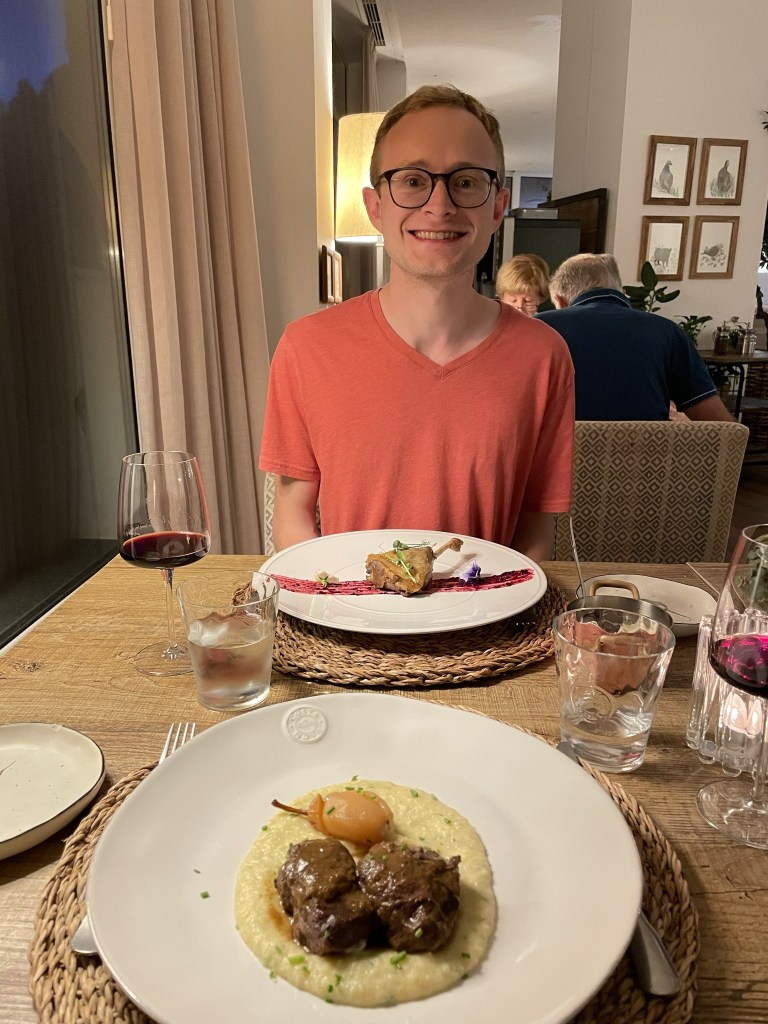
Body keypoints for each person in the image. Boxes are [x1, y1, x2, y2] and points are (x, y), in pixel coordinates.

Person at [260, 85, 575, 559]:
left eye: (465, 181)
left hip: (491, 605)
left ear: (497, 206)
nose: (440, 204)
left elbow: (535, 528)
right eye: (412, 180)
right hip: (348, 602)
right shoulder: (306, 347)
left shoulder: (544, 356)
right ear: (375, 207)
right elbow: (293, 515)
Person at [536, 253, 732, 421]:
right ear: (619, 290)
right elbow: (721, 426)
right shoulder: (667, 332)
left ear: (560, 301)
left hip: (561, 453)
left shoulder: (539, 328)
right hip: (646, 453)